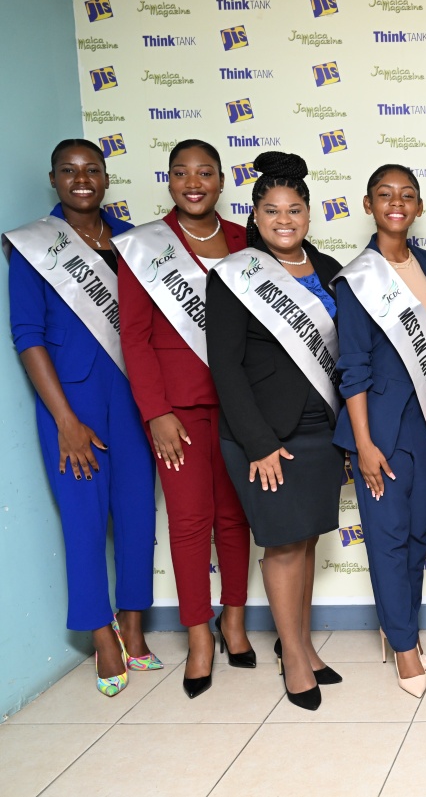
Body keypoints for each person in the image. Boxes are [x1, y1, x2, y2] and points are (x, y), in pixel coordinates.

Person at [5, 139, 157, 697]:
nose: (81, 179)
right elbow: (28, 336)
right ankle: (104, 639)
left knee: (138, 517)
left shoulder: (133, 241)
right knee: (85, 524)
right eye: (69, 171)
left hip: (134, 401)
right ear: (53, 178)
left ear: (106, 176)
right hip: (71, 408)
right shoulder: (33, 245)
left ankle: (135, 631)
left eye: (92, 169)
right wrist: (65, 420)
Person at [114, 139, 254, 699]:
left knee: (236, 519)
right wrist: (156, 413)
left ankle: (235, 623)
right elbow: (135, 338)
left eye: (204, 173)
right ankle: (199, 635)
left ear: (221, 180)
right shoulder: (145, 247)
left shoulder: (247, 239)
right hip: (179, 412)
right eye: (181, 173)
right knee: (191, 522)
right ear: (168, 181)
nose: (193, 182)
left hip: (241, 406)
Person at [207, 151, 343, 711]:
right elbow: (225, 368)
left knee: (306, 541)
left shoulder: (331, 271)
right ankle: (292, 660)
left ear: (308, 213)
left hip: (321, 430)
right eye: (271, 210)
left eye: (294, 209)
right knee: (284, 545)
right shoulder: (236, 276)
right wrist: (259, 444)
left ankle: (303, 647)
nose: (284, 219)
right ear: (256, 217)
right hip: (265, 436)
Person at [333, 164, 426, 699]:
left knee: (418, 539)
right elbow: (351, 368)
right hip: (378, 430)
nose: (396, 203)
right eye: (384, 194)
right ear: (368, 203)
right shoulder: (357, 278)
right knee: (387, 540)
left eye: (406, 195)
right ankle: (402, 650)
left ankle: (408, 636)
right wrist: (363, 444)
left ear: (419, 206)